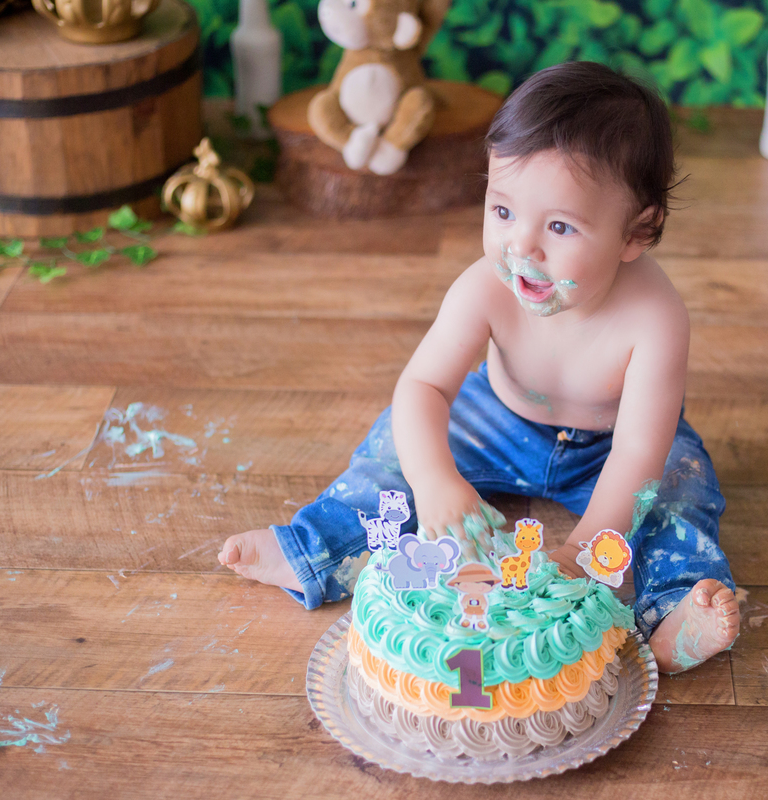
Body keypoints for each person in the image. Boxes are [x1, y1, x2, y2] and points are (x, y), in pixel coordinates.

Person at [218, 61, 739, 672]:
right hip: (494, 417)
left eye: (561, 226)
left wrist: (584, 551)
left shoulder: (656, 318)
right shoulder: (484, 288)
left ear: (637, 232)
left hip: (612, 444)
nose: (522, 246)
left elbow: (635, 456)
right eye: (502, 212)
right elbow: (423, 385)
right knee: (394, 448)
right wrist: (437, 479)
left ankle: (677, 610)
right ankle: (316, 551)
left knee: (682, 491)